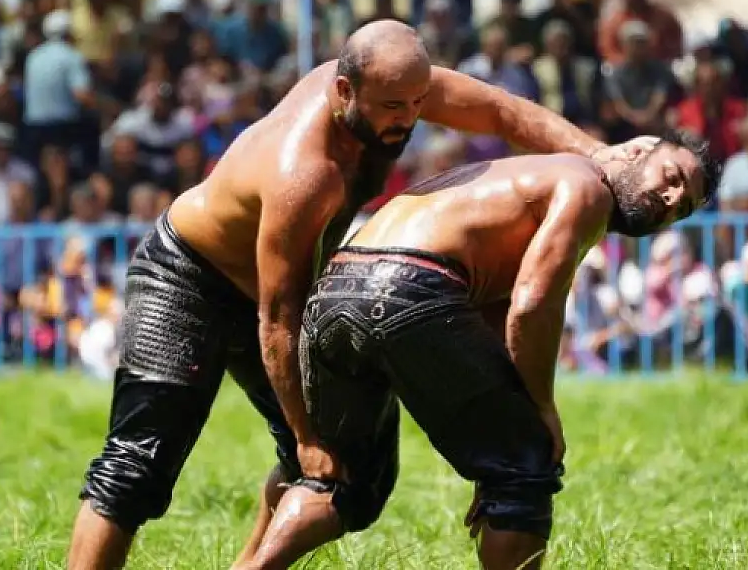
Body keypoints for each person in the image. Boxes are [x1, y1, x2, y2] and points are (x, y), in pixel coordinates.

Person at [66, 19, 613, 569]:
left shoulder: (395, 86)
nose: (408, 119)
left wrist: (601, 156)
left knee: (356, 476)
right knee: (139, 463)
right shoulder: (306, 172)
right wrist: (306, 435)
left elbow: (500, 111)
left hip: (279, 293)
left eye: (418, 102)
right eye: (393, 106)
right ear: (345, 91)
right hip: (187, 278)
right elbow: (277, 319)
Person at [237, 129, 721, 570]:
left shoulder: (521, 179)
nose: (672, 200)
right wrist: (539, 413)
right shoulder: (586, 187)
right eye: (672, 177)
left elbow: (491, 318)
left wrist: (492, 460)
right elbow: (532, 308)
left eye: (685, 206)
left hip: (337, 291)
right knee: (527, 464)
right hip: (412, 287)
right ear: (636, 150)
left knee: (343, 481)